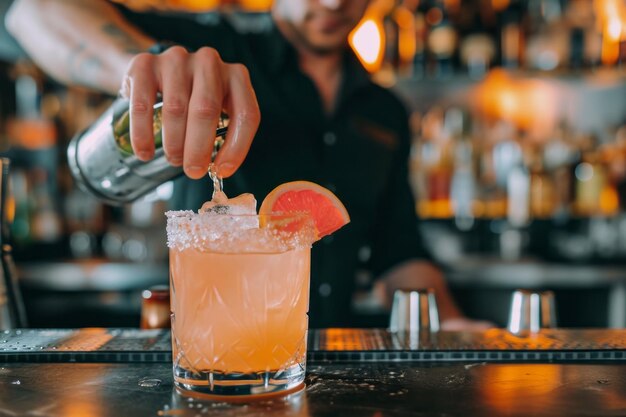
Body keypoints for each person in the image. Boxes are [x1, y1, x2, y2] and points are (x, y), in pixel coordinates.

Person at [6, 0, 491, 329]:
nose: (333, 2)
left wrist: (451, 323)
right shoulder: (213, 50)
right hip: (214, 361)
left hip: (320, 371)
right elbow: (30, 11)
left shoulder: (383, 111)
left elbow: (398, 250)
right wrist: (146, 65)